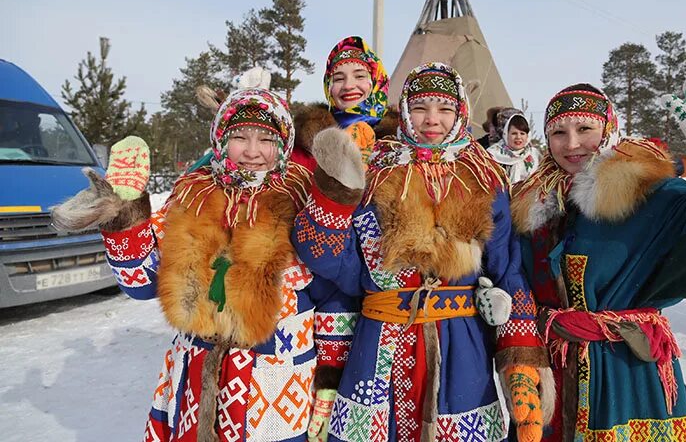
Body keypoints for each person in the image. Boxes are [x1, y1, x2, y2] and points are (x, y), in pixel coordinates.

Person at [51, 71, 358, 441]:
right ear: (220, 140)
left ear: (283, 145)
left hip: (277, 386)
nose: (252, 151)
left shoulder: (302, 202)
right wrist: (124, 218)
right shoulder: (191, 200)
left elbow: (332, 296)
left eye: (266, 139)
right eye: (239, 137)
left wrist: (328, 382)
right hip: (197, 377)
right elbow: (142, 284)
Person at [293, 63, 552, 442]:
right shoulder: (375, 172)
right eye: (420, 108)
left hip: (461, 345)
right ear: (405, 111)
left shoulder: (484, 178)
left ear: (460, 112)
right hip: (379, 342)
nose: (432, 119)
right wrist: (334, 193)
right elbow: (341, 266)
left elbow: (507, 270)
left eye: (445, 109)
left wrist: (522, 365)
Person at [512, 67, 686, 440]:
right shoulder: (532, 203)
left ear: (608, 129)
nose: (571, 144)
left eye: (585, 129)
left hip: (625, 371)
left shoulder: (650, 193)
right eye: (558, 132)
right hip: (548, 372)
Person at [322, 36, 389, 164]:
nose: (348, 86)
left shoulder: (397, 141)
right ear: (328, 87)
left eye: (359, 76)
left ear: (376, 82)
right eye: (339, 79)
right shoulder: (307, 144)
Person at [487, 108, 541, 183]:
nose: (518, 137)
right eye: (514, 133)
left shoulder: (535, 155)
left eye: (522, 133)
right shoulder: (492, 154)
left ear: (527, 136)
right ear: (506, 134)